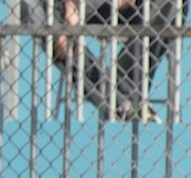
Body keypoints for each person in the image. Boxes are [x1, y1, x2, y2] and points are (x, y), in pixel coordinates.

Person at [21, 0, 181, 122]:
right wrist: (71, 6)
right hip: (79, 5)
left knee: (174, 3)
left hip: (135, 7)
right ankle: (121, 103)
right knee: (32, 6)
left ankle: (124, 95)